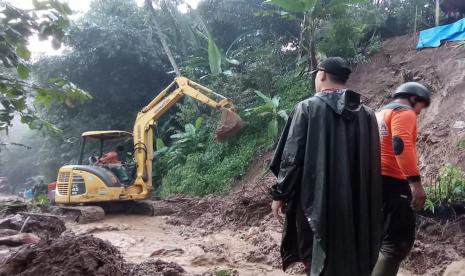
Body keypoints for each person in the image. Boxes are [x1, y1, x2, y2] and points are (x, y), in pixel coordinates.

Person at [270, 57, 382, 276]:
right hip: (357, 205)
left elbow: (291, 159)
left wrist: (280, 194)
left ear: (321, 75)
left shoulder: (307, 109)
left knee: (317, 256)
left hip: (315, 205)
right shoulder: (368, 115)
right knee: (353, 257)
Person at [371, 82, 430, 276]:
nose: (421, 111)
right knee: (397, 243)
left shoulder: (379, 114)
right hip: (394, 183)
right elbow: (400, 146)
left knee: (380, 240)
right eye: (422, 105)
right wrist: (416, 184)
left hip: (374, 183)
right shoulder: (404, 112)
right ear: (414, 99)